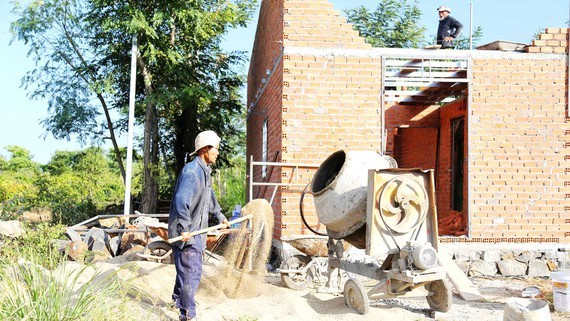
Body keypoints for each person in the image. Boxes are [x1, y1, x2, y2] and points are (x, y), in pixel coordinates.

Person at [168, 130, 230, 321]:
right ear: (204, 149)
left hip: (196, 231)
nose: (217, 153)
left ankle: (179, 300)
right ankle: (187, 313)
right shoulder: (192, 172)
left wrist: (220, 216)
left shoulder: (204, 171)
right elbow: (181, 201)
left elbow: (208, 197)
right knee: (191, 272)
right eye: (215, 149)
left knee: (186, 270)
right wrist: (184, 229)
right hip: (188, 233)